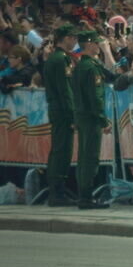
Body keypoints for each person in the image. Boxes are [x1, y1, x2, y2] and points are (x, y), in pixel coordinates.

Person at [72, 31, 110, 210]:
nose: (98, 46)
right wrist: (103, 119)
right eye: (96, 43)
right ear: (89, 44)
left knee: (83, 157)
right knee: (90, 158)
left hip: (82, 117)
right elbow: (95, 98)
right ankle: (86, 197)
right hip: (91, 118)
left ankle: (83, 195)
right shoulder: (91, 67)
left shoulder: (81, 66)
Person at [43, 23, 78, 206]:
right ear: (65, 38)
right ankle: (57, 193)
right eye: (72, 37)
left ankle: (57, 190)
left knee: (58, 149)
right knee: (62, 151)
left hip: (56, 109)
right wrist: (72, 116)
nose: (74, 41)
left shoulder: (53, 58)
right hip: (62, 111)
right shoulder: (61, 59)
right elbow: (65, 91)